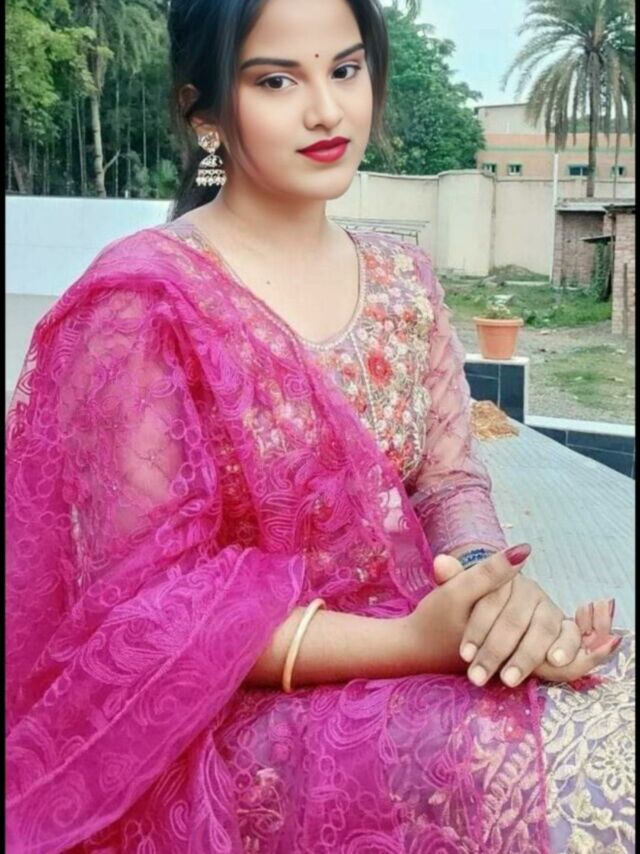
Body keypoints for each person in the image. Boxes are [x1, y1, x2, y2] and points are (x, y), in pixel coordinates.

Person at [5, 0, 634, 851]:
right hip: (233, 716)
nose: (327, 110)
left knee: (610, 699)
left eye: (344, 69)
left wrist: (494, 603)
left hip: (423, 646)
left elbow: (448, 482)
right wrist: (411, 643)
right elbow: (150, 613)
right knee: (564, 768)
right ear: (203, 111)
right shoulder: (144, 301)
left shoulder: (404, 278)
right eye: (277, 81)